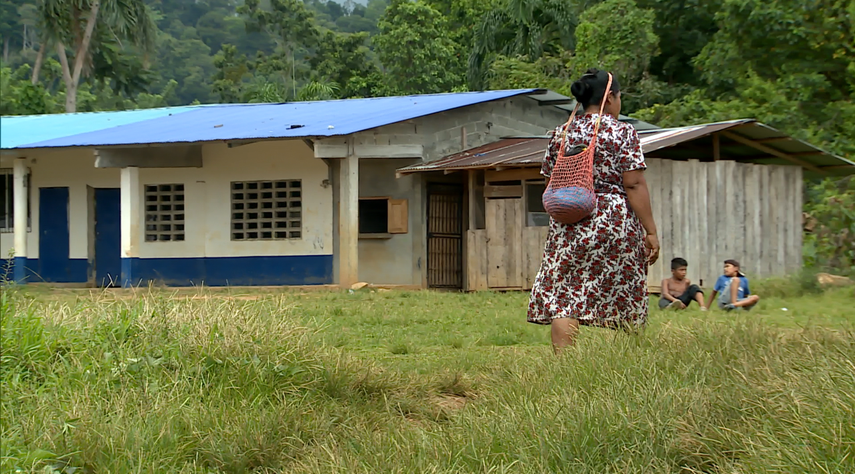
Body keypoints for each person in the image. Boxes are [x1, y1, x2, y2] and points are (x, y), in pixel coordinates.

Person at [527, 68, 660, 353]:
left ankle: (564, 365)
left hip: (568, 222)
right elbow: (634, 184)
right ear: (610, 98)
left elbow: (551, 179)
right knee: (623, 286)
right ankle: (628, 359)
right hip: (612, 222)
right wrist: (651, 231)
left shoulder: (560, 134)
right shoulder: (622, 131)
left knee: (565, 295)